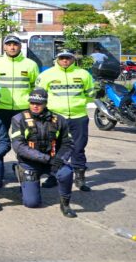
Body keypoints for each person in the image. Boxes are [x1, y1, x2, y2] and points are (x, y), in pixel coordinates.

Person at [10, 88, 77, 218]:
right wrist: (47, 159)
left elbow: (68, 143)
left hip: (52, 161)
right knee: (32, 203)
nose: (35, 106)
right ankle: (20, 173)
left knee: (66, 172)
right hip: (30, 163)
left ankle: (65, 204)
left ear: (45, 103)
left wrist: (60, 158)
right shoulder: (18, 119)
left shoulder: (59, 120)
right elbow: (19, 146)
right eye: (32, 103)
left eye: (39, 103)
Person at [35, 49, 95, 191]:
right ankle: (53, 175)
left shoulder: (84, 74)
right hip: (55, 117)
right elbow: (39, 96)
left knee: (78, 148)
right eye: (62, 58)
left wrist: (79, 104)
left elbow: (90, 94)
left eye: (68, 58)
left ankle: (79, 178)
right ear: (57, 59)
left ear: (73, 59)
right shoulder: (46, 75)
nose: (65, 60)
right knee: (53, 147)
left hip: (78, 116)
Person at [0, 35, 39, 138]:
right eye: (9, 45)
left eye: (15, 44)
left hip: (23, 107)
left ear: (20, 46)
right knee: (0, 138)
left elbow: (35, 87)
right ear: (4, 47)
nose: (12, 47)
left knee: (24, 138)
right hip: (0, 107)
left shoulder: (31, 65)